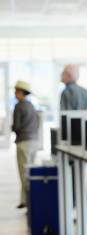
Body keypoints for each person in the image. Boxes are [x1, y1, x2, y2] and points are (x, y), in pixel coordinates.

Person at [60, 64, 87, 222]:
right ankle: (86, 211)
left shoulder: (66, 92)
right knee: (79, 177)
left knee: (73, 178)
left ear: (68, 75)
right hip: (85, 141)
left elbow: (64, 118)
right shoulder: (85, 92)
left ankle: (82, 211)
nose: (60, 75)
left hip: (72, 143)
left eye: (63, 73)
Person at [12, 80, 39, 209]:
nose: (15, 93)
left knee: (24, 174)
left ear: (21, 92)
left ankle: (28, 200)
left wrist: (14, 128)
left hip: (23, 142)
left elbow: (16, 126)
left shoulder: (18, 106)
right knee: (30, 172)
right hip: (34, 142)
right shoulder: (31, 105)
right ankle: (26, 200)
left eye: (16, 91)